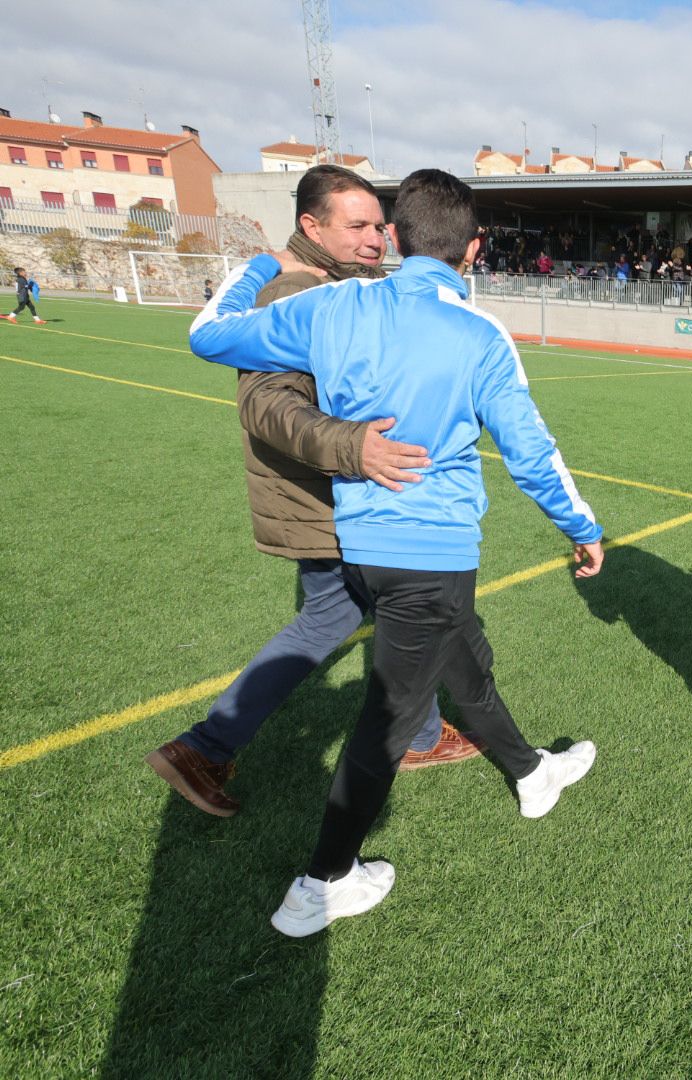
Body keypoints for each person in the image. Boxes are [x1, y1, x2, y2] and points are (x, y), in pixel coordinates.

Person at [190, 169, 604, 936]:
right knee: (390, 716)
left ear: (397, 237)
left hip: (362, 548)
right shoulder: (479, 333)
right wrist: (581, 527)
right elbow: (531, 450)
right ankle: (322, 884)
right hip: (431, 552)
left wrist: (255, 269)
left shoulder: (333, 302)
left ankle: (531, 771)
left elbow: (207, 336)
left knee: (462, 661)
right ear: (472, 249)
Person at [146, 167, 469, 821]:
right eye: (358, 226)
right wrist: (358, 447)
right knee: (376, 612)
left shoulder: (340, 286)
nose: (378, 239)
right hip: (326, 506)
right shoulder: (290, 295)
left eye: (380, 225)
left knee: (387, 613)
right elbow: (268, 407)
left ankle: (422, 734)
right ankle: (204, 747)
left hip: (345, 502)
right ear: (311, 226)